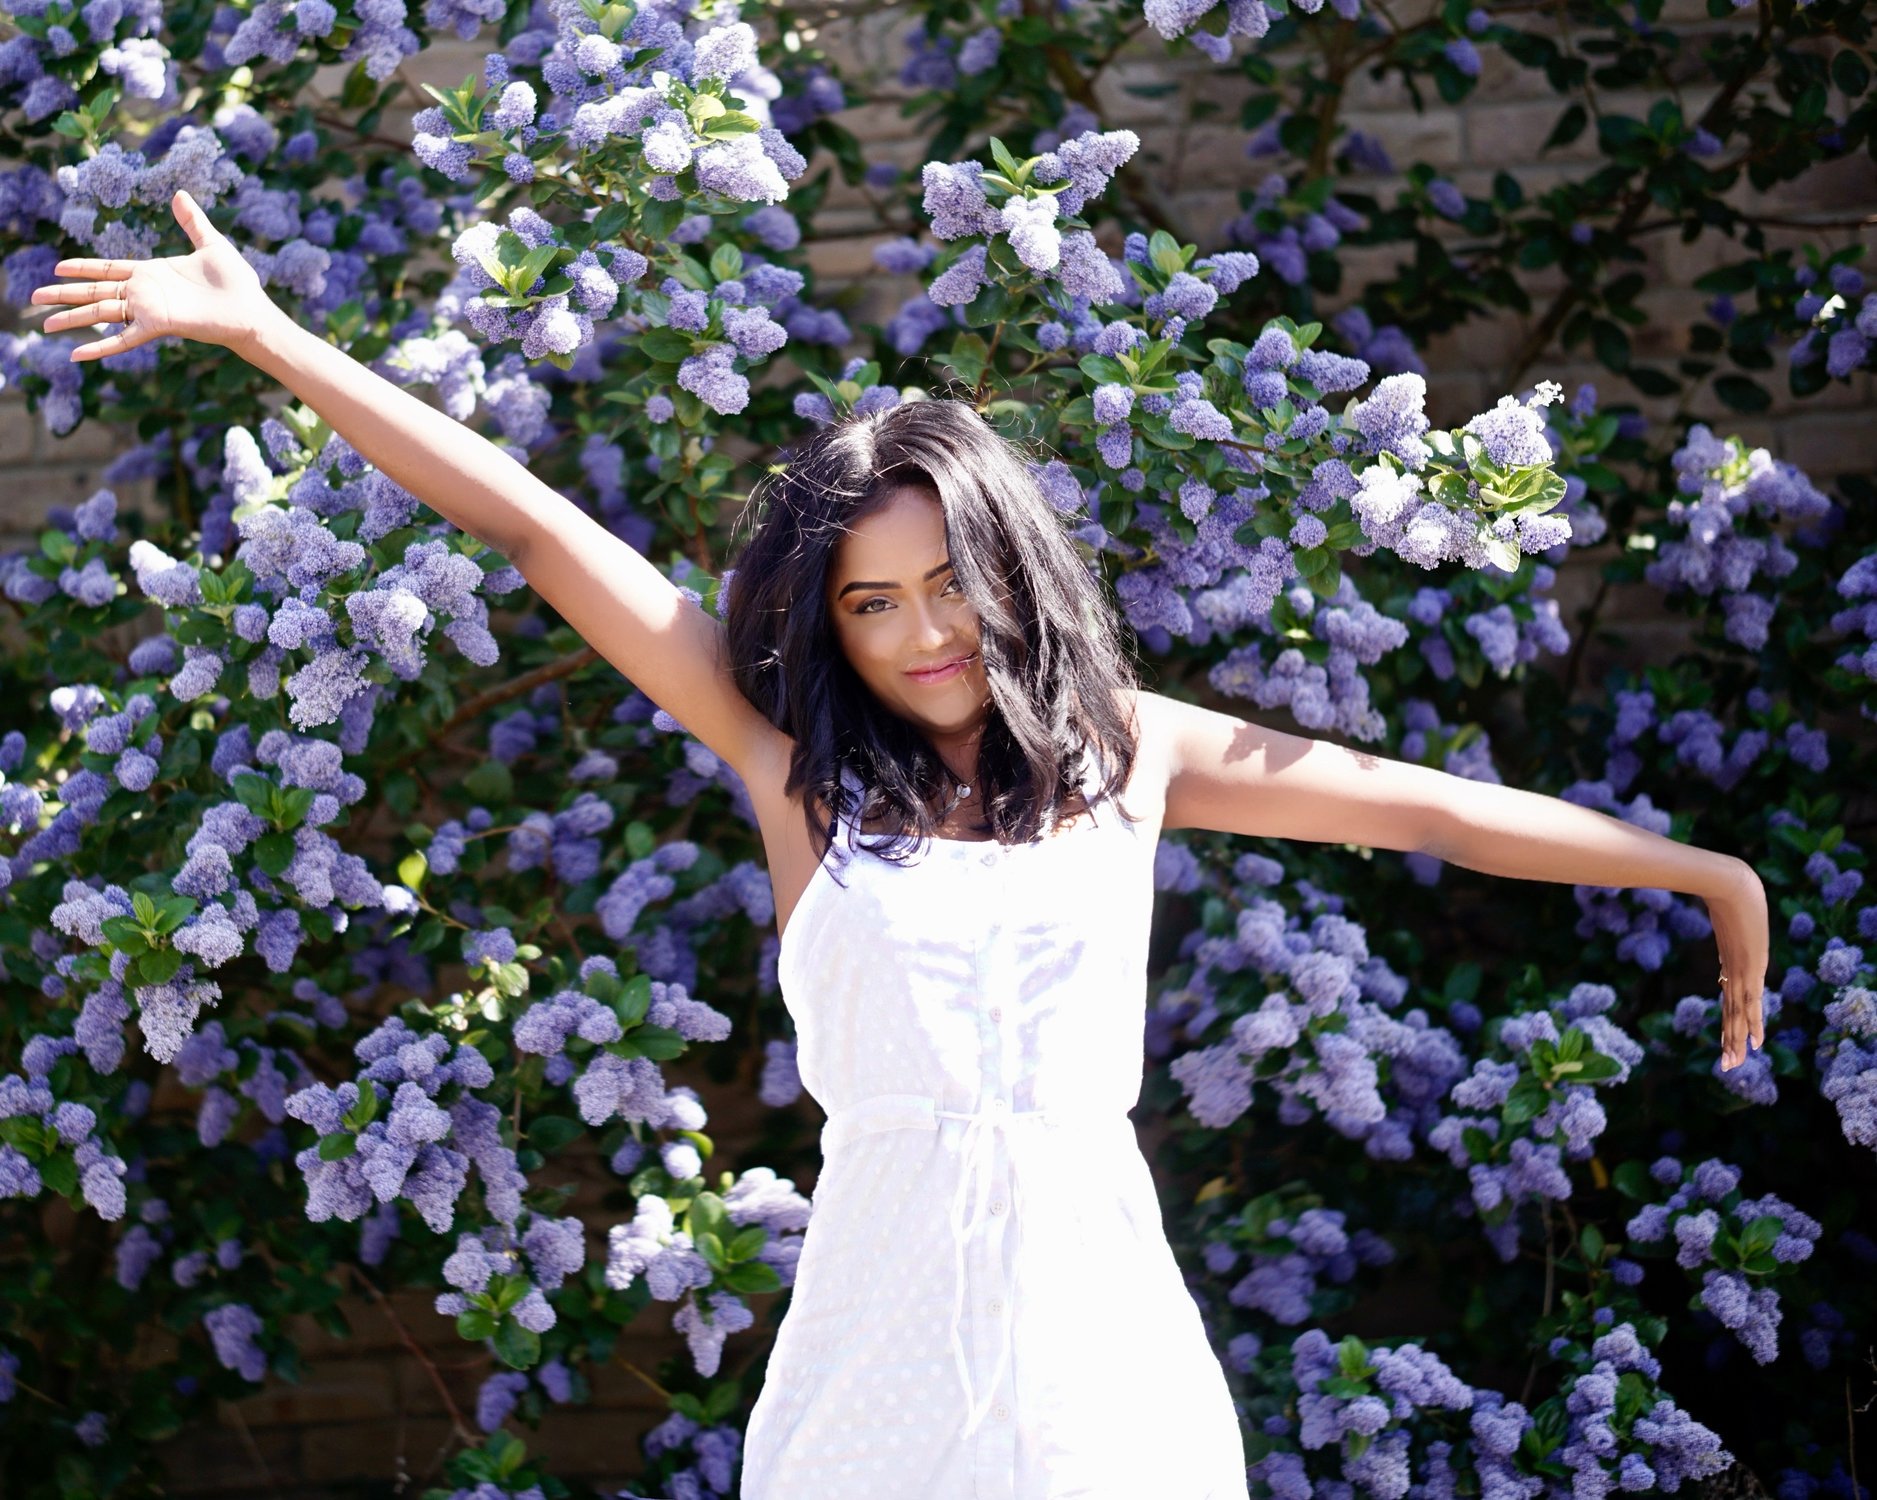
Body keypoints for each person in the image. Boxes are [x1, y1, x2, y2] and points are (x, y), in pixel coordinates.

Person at [30, 189, 1769, 1497]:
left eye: (950, 583)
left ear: (1009, 571)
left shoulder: (1125, 755)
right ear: (829, 625)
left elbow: (1435, 810)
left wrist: (1699, 871)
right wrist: (264, 331)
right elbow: (533, 527)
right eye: (873, 602)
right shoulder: (795, 771)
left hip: (1103, 1341)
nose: (924, 630)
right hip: (878, 1336)